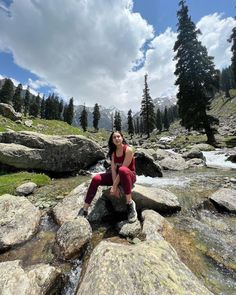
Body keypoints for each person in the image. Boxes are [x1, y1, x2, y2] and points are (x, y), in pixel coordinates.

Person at [78, 131, 137, 223]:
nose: (117, 139)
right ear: (112, 140)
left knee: (122, 170)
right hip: (117, 176)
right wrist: (115, 185)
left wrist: (114, 187)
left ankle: (130, 204)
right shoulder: (114, 153)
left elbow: (123, 168)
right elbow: (113, 170)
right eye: (114, 137)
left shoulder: (128, 150)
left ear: (122, 138)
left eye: (118, 137)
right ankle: (85, 209)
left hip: (129, 176)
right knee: (95, 179)